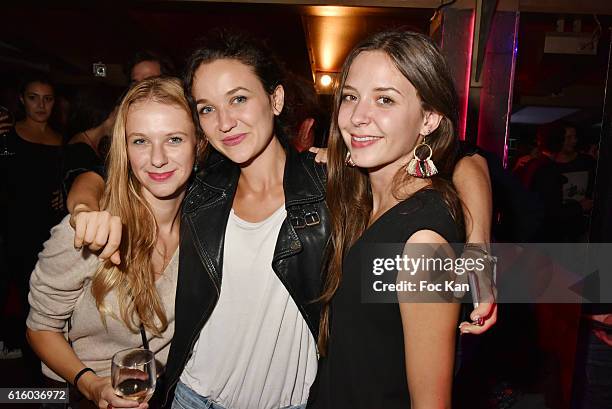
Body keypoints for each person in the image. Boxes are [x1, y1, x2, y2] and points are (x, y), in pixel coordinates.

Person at [67, 31, 496, 408]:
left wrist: (478, 255)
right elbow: (102, 173)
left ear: (275, 99)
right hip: (191, 395)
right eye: (206, 109)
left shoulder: (333, 185)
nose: (225, 122)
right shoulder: (202, 187)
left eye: (238, 98)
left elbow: (466, 158)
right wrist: (86, 208)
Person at [307, 30, 468, 408]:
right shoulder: (362, 198)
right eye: (350, 97)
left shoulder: (423, 243)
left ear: (428, 118)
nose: (358, 117)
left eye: (385, 99)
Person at [26, 77, 202, 409]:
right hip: (76, 392)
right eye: (140, 141)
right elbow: (40, 328)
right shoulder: (89, 231)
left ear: (199, 143)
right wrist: (91, 386)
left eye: (175, 139)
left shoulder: (208, 225)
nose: (158, 158)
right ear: (124, 147)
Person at [0, 75, 65, 366]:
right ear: (21, 100)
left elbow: (70, 179)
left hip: (48, 231)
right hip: (12, 228)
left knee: (44, 301)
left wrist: (66, 193)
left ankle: (45, 367)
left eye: (47, 98)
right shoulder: (7, 136)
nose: (41, 105)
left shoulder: (63, 140)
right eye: (33, 97)